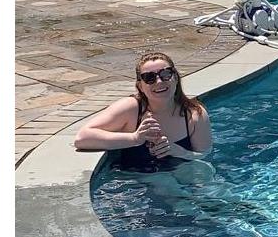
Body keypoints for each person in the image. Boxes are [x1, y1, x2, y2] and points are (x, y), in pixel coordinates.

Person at [74, 51, 212, 170]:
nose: (159, 81)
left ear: (175, 78)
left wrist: (179, 151)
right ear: (140, 86)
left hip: (181, 174)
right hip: (136, 180)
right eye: (149, 78)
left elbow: (204, 154)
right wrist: (135, 138)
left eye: (165, 74)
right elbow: (82, 138)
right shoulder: (131, 109)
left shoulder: (194, 114)